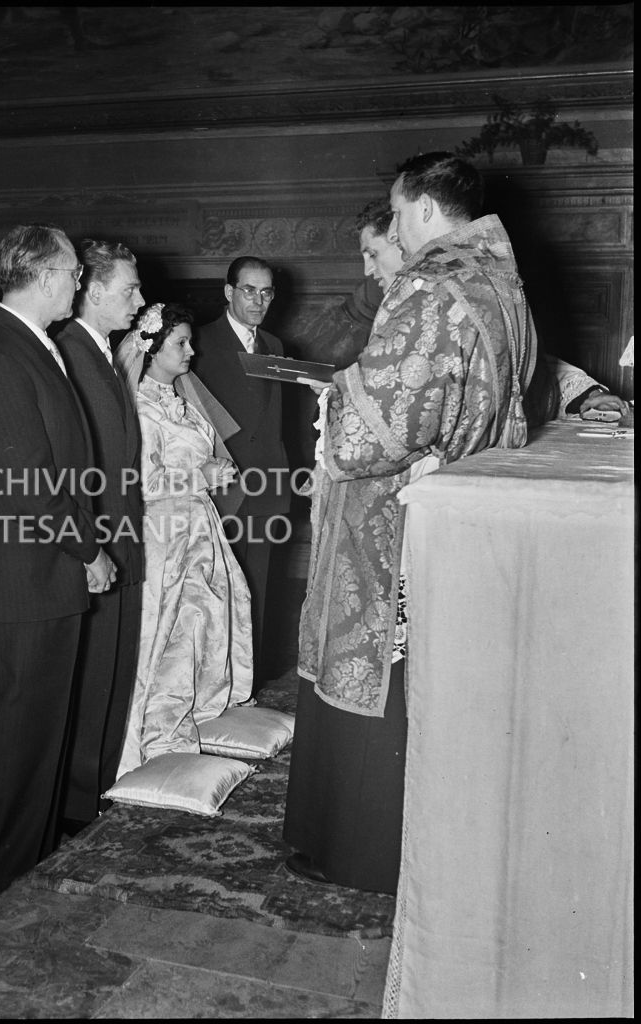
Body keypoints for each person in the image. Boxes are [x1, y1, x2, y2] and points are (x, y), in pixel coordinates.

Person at [283, 153, 538, 895]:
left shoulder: (430, 282)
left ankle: (360, 851)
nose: (392, 228)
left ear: (424, 211)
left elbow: (372, 435)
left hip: (393, 521)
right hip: (458, 507)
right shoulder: (500, 278)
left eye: (394, 215)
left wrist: (335, 403)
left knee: (380, 681)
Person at [0, 223, 115, 906]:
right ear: (47, 275)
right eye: (76, 272)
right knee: (15, 738)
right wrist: (88, 548)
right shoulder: (1, 356)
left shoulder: (29, 345)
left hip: (37, 576)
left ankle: (24, 866)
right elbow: (30, 484)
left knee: (36, 734)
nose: (78, 283)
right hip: (21, 579)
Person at [322, 197, 630, 424]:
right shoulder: (380, 305)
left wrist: (586, 395)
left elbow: (517, 362)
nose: (367, 269)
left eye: (372, 254)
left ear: (398, 237)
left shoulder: (457, 293)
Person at [113, 302, 253, 778]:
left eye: (190, 341)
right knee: (166, 633)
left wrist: (217, 472)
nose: (192, 351)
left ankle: (193, 722)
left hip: (200, 528)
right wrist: (202, 475)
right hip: (164, 534)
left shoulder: (184, 401)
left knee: (204, 623)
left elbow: (206, 455)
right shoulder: (140, 408)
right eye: (181, 343)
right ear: (150, 349)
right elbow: (143, 484)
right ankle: (155, 738)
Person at [54, 239, 146, 832]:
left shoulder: (101, 353)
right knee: (93, 685)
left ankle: (95, 794)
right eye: (129, 289)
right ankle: (77, 807)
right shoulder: (69, 353)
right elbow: (75, 471)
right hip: (100, 546)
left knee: (114, 678)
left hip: (122, 539)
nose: (140, 300)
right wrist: (96, 552)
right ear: (91, 290)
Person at [190, 257, 291, 684]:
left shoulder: (277, 346)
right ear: (229, 292)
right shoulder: (197, 343)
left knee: (261, 592)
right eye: (249, 290)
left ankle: (247, 686)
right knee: (216, 593)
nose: (259, 300)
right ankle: (214, 683)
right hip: (222, 492)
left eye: (266, 292)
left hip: (267, 491)